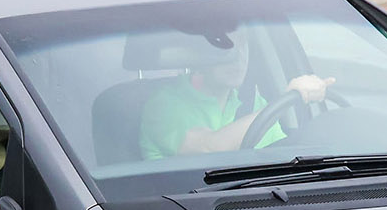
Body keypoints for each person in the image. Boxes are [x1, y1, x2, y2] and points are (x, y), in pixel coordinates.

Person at [139, 31, 334, 160]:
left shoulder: (252, 103)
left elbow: (283, 154)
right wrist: (287, 97)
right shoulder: (165, 104)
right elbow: (208, 148)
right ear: (200, 53)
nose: (238, 58)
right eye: (228, 48)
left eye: (244, 47)